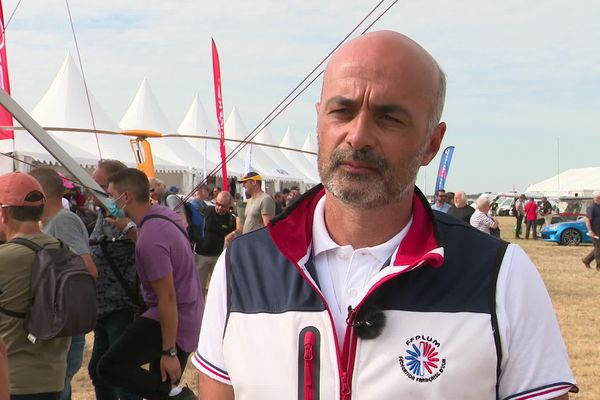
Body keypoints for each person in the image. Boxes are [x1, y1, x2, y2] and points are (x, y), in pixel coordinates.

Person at [194, 31, 576, 399]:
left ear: (432, 143)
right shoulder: (242, 267)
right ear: (320, 121)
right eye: (341, 111)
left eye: (389, 118)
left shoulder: (500, 275)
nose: (358, 136)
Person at [98, 168, 202, 400]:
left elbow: (167, 297)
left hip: (171, 317)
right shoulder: (164, 216)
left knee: (110, 366)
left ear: (126, 197)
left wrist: (169, 351)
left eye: (111, 195)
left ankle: (177, 395)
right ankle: (171, 393)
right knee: (156, 386)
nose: (108, 201)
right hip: (184, 313)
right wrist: (129, 229)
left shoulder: (151, 238)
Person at [29, 167, 98, 400]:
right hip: (62, 327)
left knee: (58, 388)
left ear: (40, 195)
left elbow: (87, 270)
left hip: (65, 329)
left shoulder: (63, 222)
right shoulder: (54, 222)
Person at [0, 172, 71, 399]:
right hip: (53, 378)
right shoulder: (63, 249)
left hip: (12, 382)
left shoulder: (6, 258)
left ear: (3, 214)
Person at [87, 159, 141, 400]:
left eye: (97, 184)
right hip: (102, 306)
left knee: (120, 375)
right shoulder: (102, 213)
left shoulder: (131, 216)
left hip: (122, 306)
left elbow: (149, 246)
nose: (91, 189)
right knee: (99, 370)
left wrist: (130, 228)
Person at [195, 191, 236, 297]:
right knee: (199, 288)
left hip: (218, 256)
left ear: (228, 206)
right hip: (201, 255)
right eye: (218, 204)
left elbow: (232, 234)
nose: (219, 208)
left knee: (218, 288)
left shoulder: (231, 219)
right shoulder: (206, 211)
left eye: (223, 206)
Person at [224, 172, 275, 245]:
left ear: (254, 182)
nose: (243, 186)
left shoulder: (265, 199)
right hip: (248, 244)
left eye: (245, 182)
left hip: (258, 245)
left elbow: (269, 228)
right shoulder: (250, 201)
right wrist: (233, 233)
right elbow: (246, 226)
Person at [582, 190, 600, 271]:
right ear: (598, 197)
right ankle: (599, 267)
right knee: (598, 249)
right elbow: (587, 220)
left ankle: (587, 260)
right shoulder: (591, 207)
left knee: (598, 248)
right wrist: (590, 231)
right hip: (595, 231)